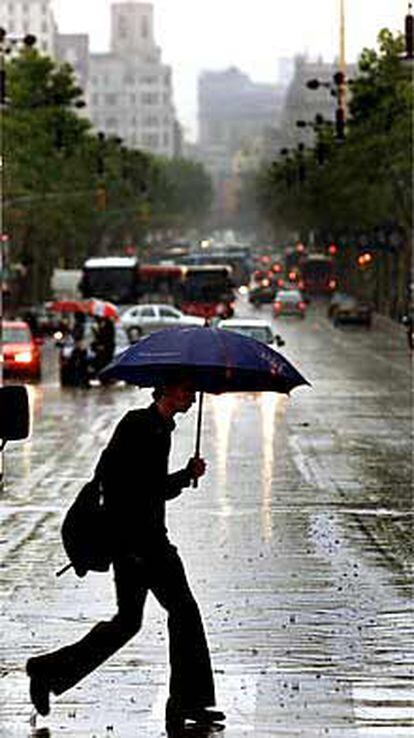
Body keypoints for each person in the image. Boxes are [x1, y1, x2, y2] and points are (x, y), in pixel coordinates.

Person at [26, 378, 225, 730]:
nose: (192, 398)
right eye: (185, 390)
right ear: (165, 391)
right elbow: (133, 488)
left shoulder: (159, 427)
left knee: (128, 622)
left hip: (137, 541)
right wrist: (182, 476)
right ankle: (186, 702)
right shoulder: (140, 426)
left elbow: (149, 490)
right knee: (184, 611)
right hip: (141, 543)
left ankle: (47, 671)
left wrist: (181, 477)